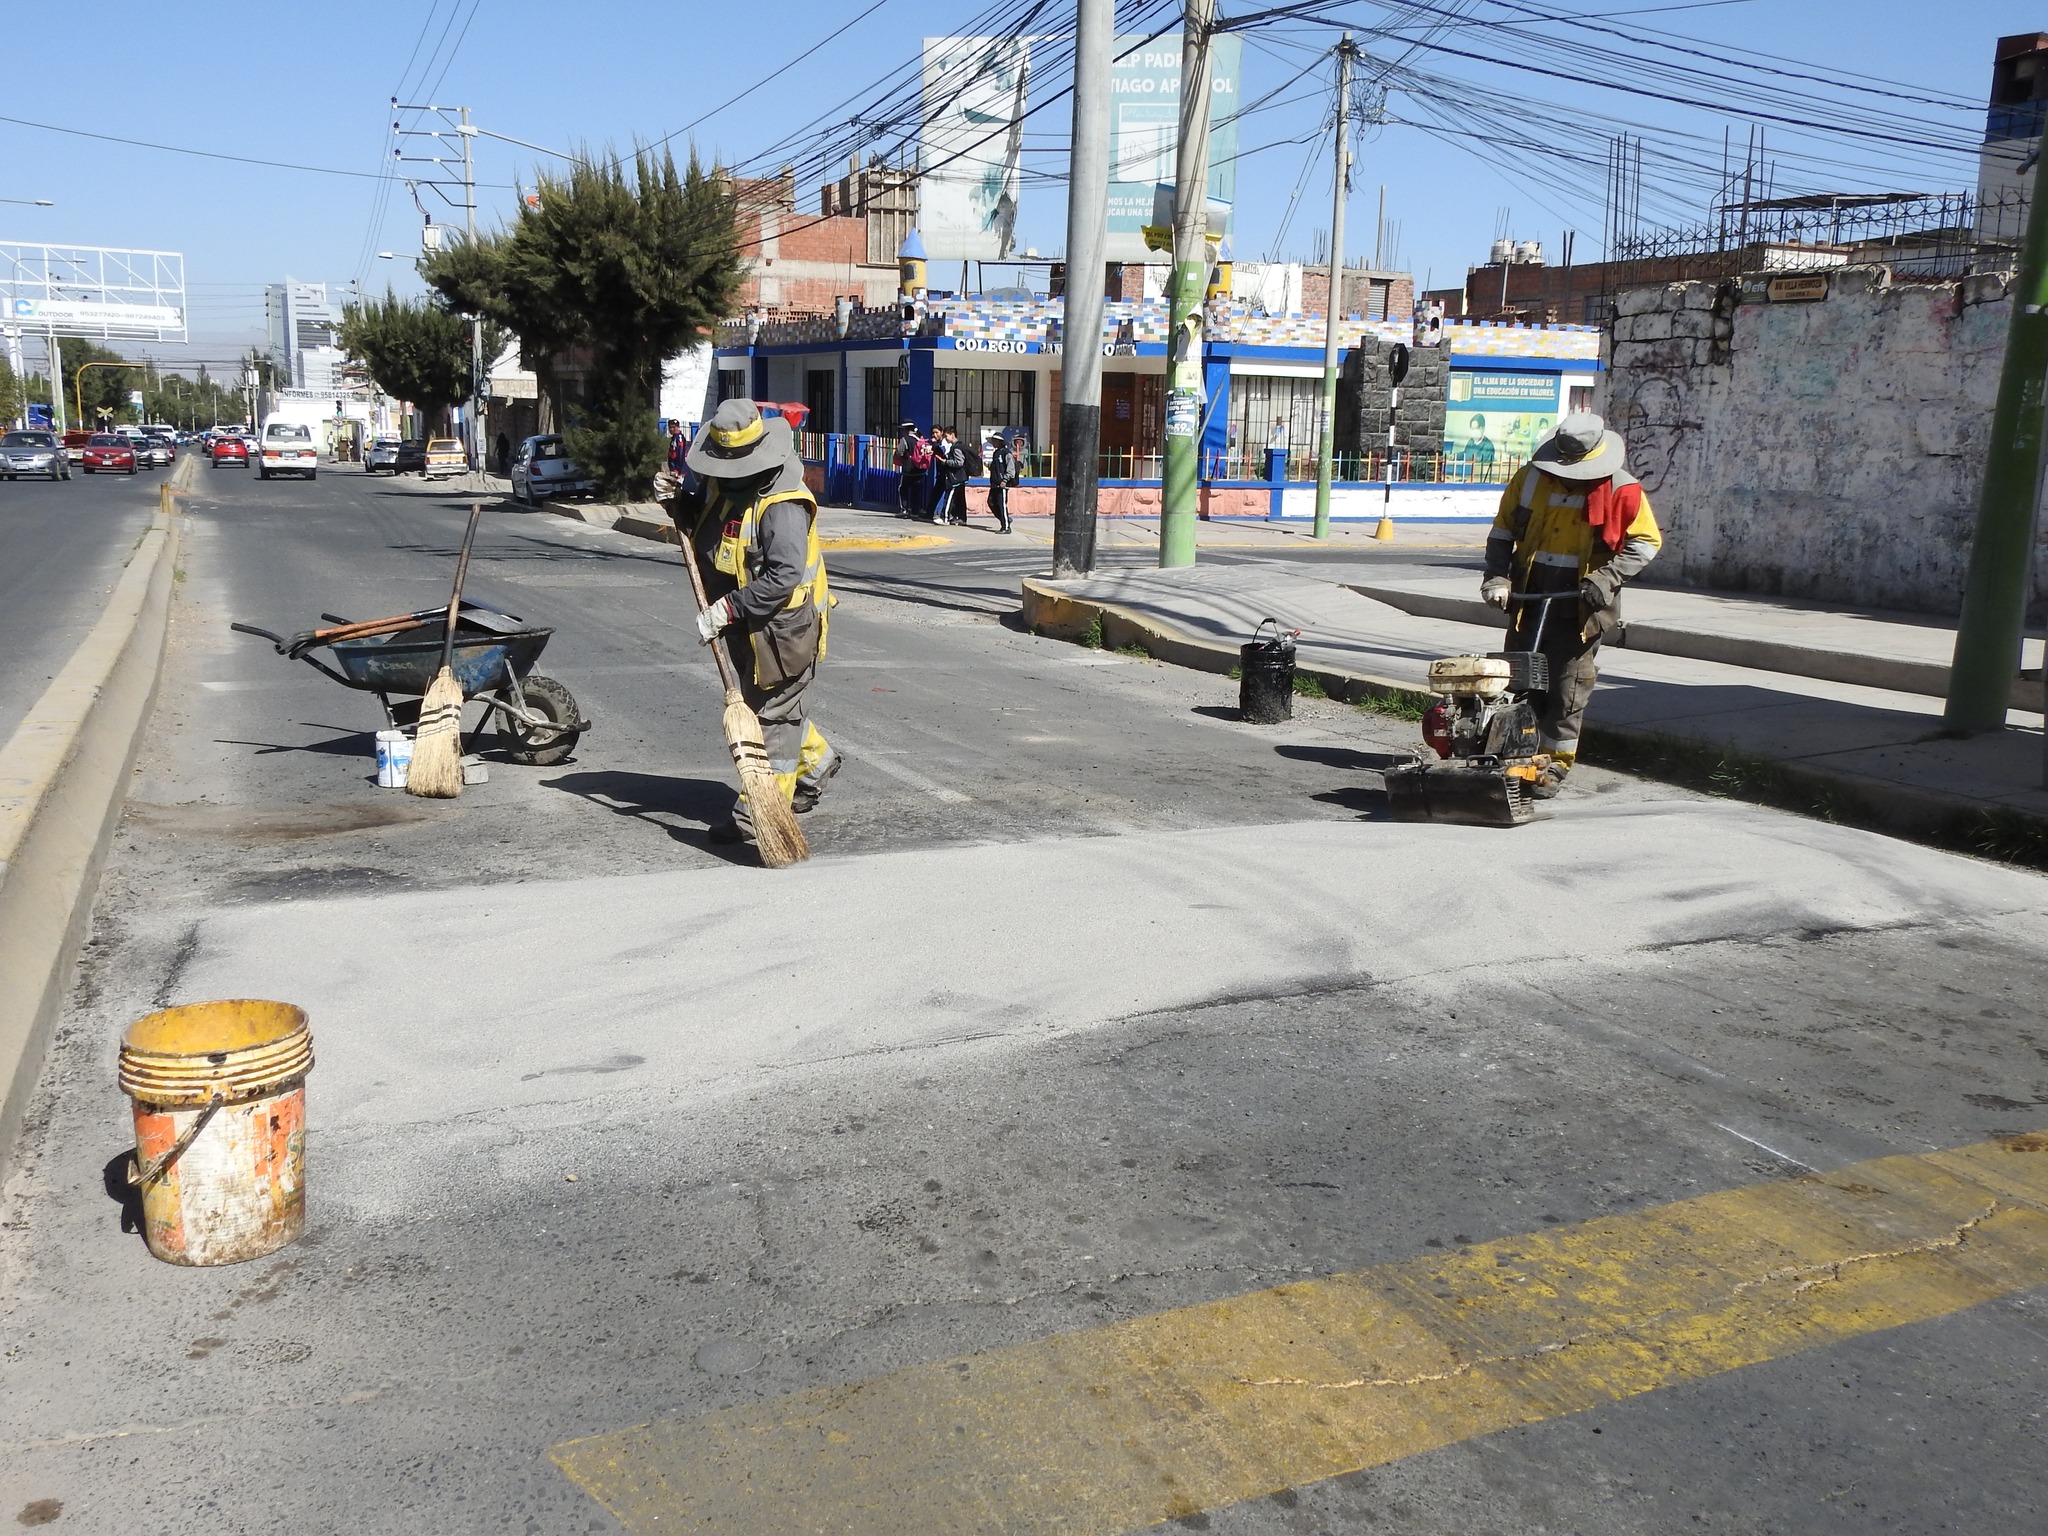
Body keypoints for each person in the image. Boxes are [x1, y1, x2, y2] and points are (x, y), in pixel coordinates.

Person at [659, 400, 841, 844]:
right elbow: (705, 528)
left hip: (784, 630)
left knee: (772, 722)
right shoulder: (726, 485)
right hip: (744, 626)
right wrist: (677, 503)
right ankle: (816, 762)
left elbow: (783, 575)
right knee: (771, 708)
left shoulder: (783, 505)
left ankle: (756, 817)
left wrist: (727, 609)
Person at [1480, 411, 1661, 798]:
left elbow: (1645, 543)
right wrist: (1497, 578)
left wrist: (1606, 579)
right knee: (1521, 680)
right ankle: (1514, 757)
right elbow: (1502, 533)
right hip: (1531, 596)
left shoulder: (1622, 490)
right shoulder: (1530, 480)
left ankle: (1551, 768)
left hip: (1581, 603)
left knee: (1567, 689)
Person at [929, 427, 967, 525]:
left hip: (955, 477)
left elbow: (959, 462)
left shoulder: (956, 447)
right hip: (959, 477)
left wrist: (946, 461)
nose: (945, 438)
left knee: (949, 498)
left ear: (952, 435)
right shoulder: (957, 445)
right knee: (958, 499)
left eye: (946, 436)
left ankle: (944, 517)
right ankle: (960, 518)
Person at [894, 420, 930, 517]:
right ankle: (915, 511)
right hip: (920, 470)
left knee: (902, 489)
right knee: (916, 491)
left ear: (906, 430)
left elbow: (899, 452)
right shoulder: (920, 439)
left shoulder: (905, 439)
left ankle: (904, 510)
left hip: (908, 470)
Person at [983, 433, 1014, 534]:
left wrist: (1005, 480)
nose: (993, 443)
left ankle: (1005, 527)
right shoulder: (996, 453)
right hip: (995, 483)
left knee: (1002, 505)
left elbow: (1010, 469)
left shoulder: (1006, 453)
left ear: (1000, 442)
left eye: (995, 441)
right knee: (991, 502)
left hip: (1002, 484)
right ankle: (1005, 518)